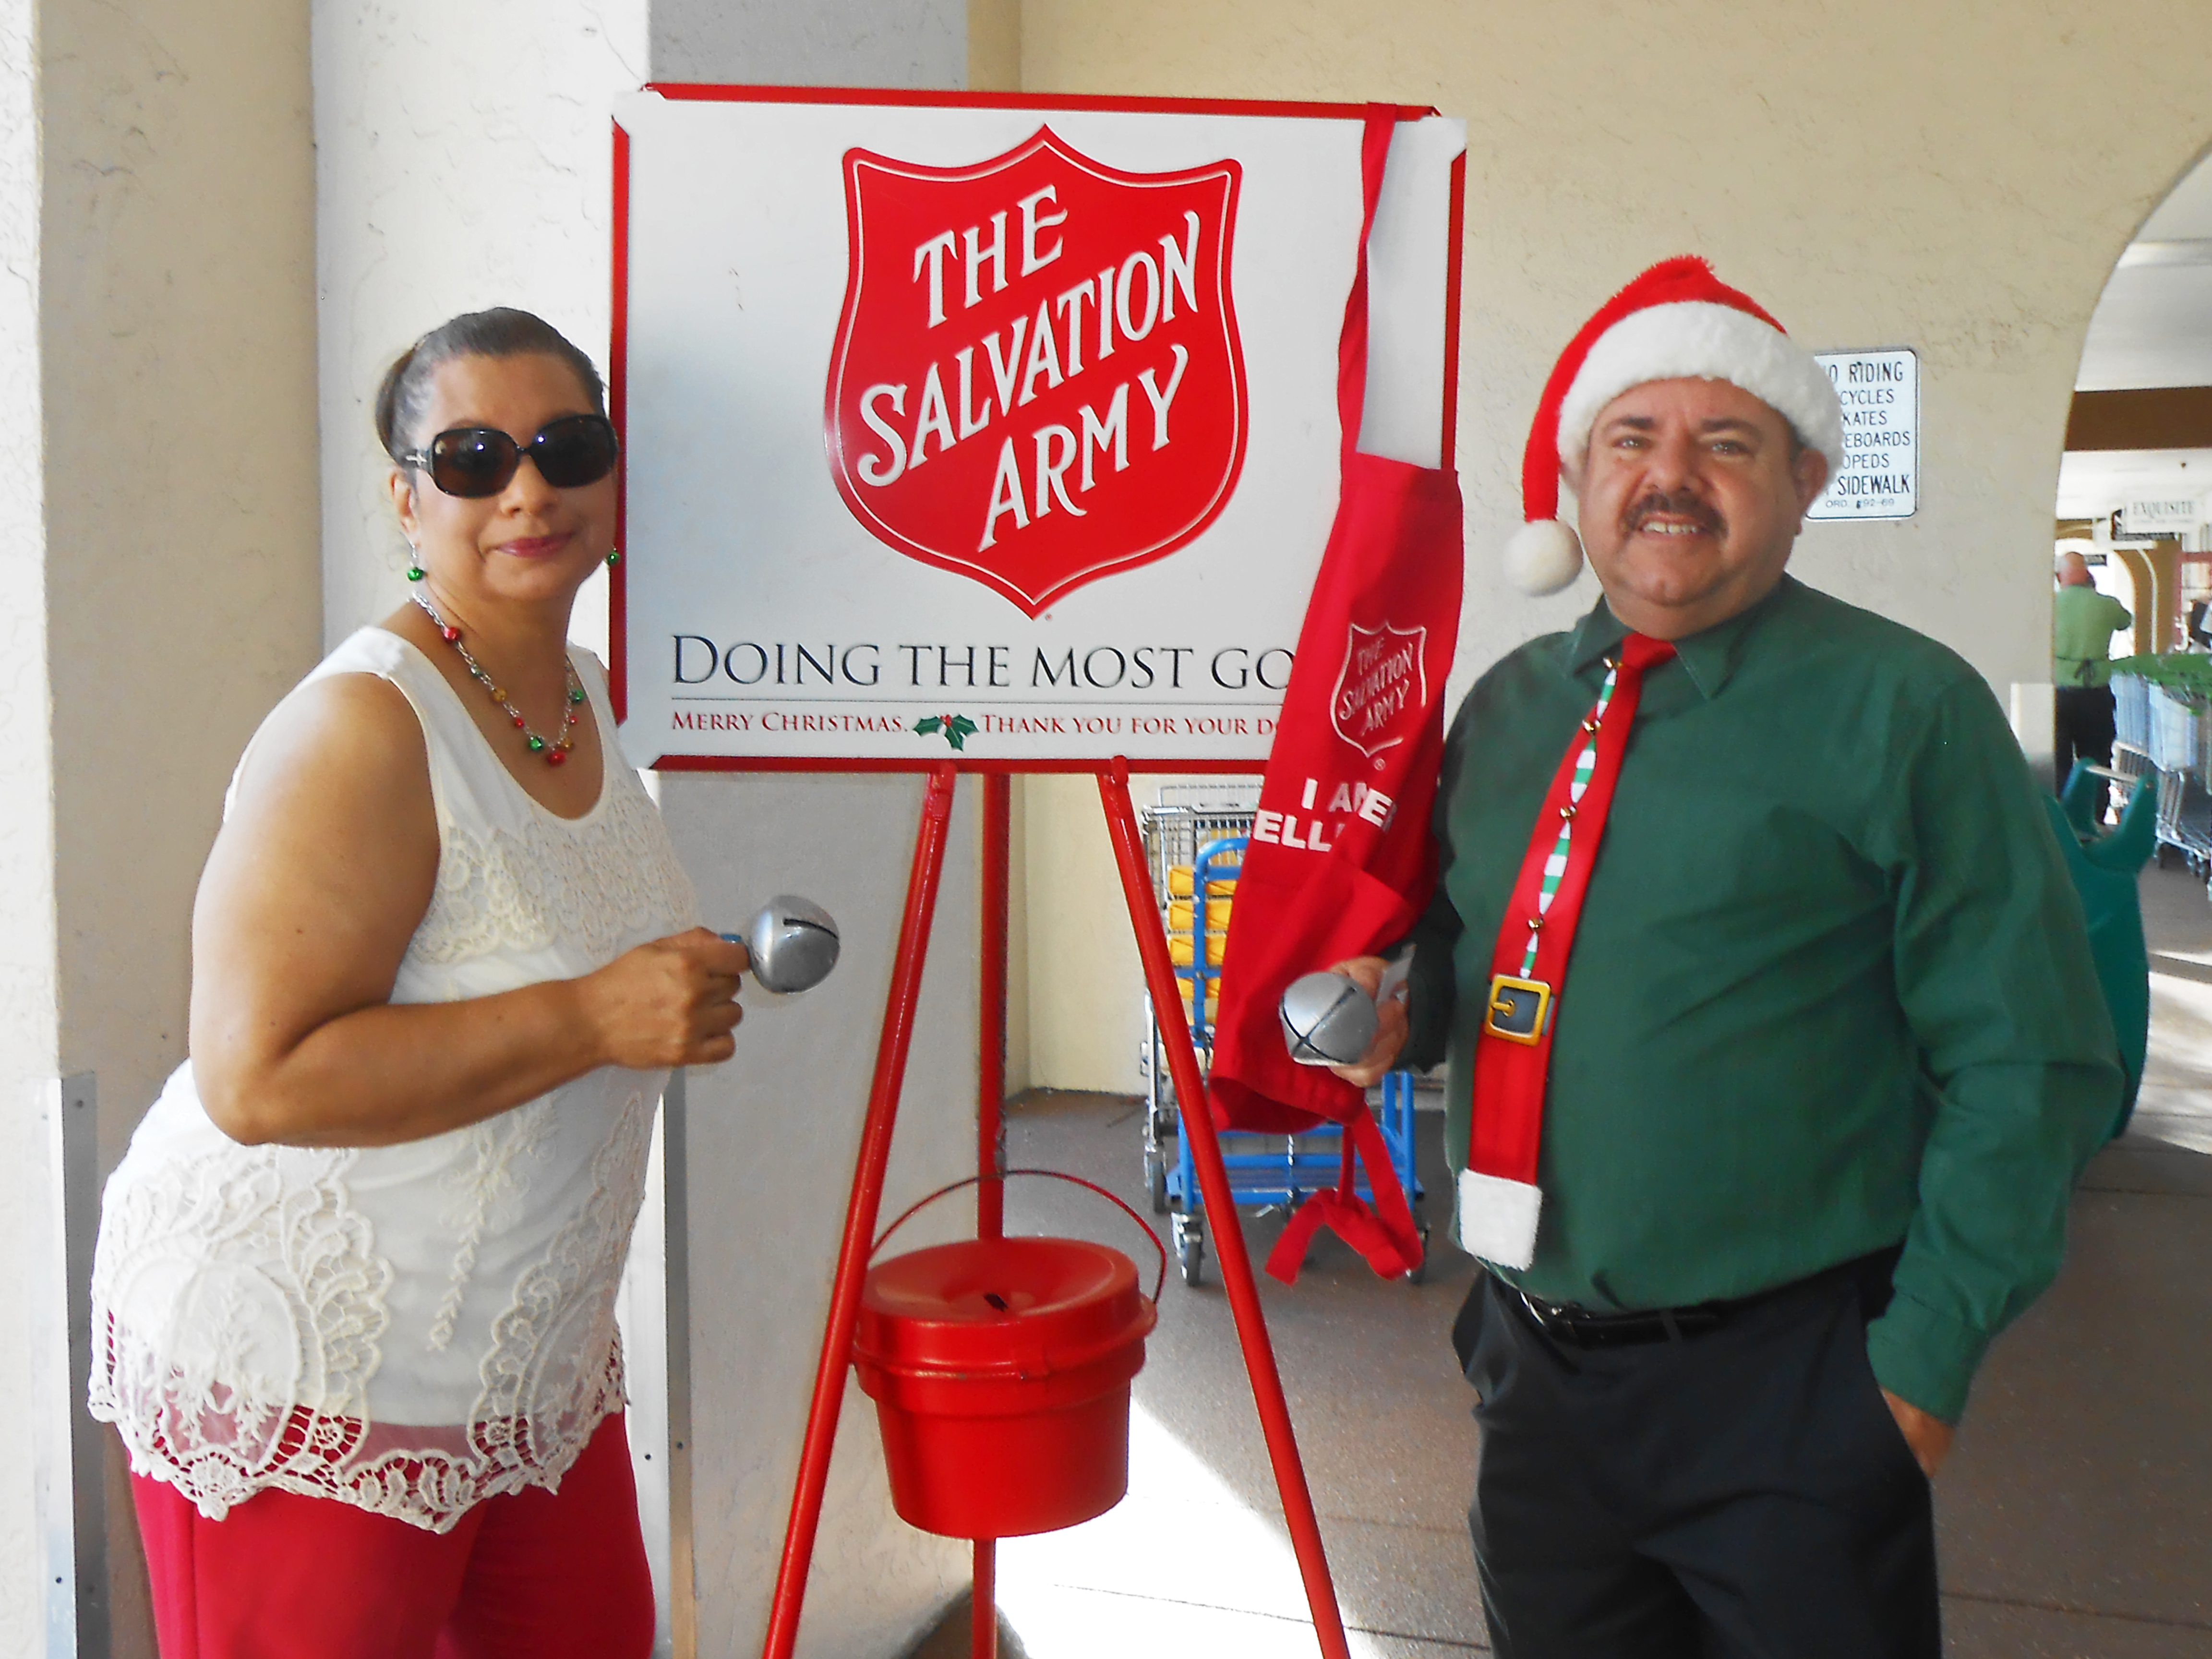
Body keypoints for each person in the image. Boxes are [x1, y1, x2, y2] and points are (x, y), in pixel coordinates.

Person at [1332, 258, 2121, 1658]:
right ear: (1581, 479)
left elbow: (2030, 1057)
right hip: (1534, 1375)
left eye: (1728, 442)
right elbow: (1477, 954)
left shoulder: (1903, 709)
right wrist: (1406, 1004)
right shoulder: (1507, 714)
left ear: (1806, 480)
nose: (1672, 476)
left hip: (1799, 1389)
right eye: (1633, 438)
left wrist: (1918, 1372)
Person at [87, 308, 749, 1659]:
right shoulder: (358, 728)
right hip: (315, 1375)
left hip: (527, 1376)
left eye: (568, 446)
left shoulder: (585, 696)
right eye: (472, 457)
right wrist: (595, 1015)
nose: (528, 489)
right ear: (407, 496)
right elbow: (256, 1075)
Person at [2052, 549, 2133, 794]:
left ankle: (2063, 820)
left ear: (2060, 577)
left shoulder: (2048, 604)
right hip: (2096, 695)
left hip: (2058, 695)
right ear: (2087, 574)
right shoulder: (2107, 605)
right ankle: (2096, 818)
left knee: (2059, 761)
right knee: (2098, 760)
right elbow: (2125, 621)